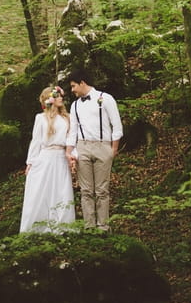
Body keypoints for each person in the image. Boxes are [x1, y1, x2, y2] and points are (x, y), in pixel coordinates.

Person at [65, 68, 123, 231]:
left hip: (103, 147)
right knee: (86, 190)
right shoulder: (75, 105)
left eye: (73, 85)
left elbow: (117, 126)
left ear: (82, 83)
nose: (72, 90)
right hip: (82, 147)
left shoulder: (106, 99)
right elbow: (73, 131)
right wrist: (69, 151)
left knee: (102, 190)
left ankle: (103, 226)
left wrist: (113, 150)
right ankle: (89, 226)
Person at [19, 84, 76, 233]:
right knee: (41, 192)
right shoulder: (40, 118)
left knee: (61, 191)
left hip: (61, 158)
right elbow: (36, 141)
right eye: (58, 96)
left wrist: (72, 156)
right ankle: (38, 227)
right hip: (45, 158)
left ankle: (62, 227)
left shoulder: (67, 118)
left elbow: (72, 139)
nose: (61, 98)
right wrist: (30, 162)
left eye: (61, 95)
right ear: (49, 99)